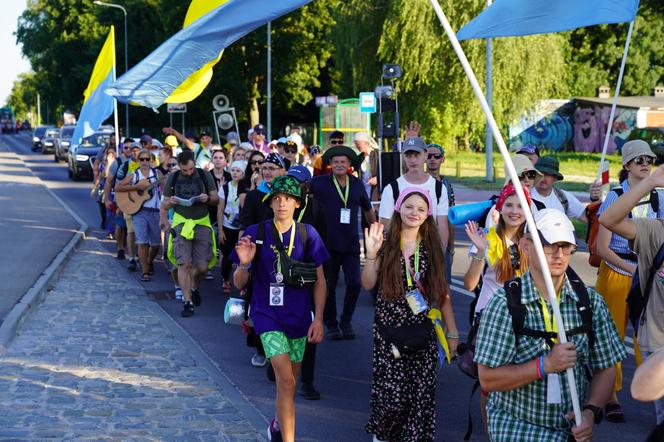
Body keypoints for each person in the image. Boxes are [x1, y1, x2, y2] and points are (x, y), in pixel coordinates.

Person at [475, 208, 626, 442]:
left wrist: (590, 412)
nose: (559, 254)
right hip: (516, 425)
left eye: (566, 246)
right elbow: (487, 379)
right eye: (549, 245)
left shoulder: (590, 302)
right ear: (526, 246)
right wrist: (545, 365)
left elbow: (606, 366)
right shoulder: (505, 303)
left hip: (569, 429)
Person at [232, 175, 329, 442]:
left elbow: (321, 281)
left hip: (299, 317)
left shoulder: (308, 234)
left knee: (291, 383)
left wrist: (318, 319)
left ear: (298, 203)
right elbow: (238, 282)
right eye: (276, 198)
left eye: (287, 199)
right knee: (285, 381)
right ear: (270, 202)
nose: (282, 203)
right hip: (266, 315)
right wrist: (244, 264)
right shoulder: (255, 232)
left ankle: (277, 425)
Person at [362, 188, 458, 442]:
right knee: (392, 396)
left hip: (422, 333)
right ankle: (384, 436)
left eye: (421, 209)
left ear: (427, 215)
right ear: (398, 208)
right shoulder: (385, 242)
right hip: (389, 333)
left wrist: (453, 333)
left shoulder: (431, 248)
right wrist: (371, 255)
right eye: (409, 206)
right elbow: (368, 284)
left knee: (420, 398)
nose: (414, 213)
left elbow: (442, 292)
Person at [594, 140, 663, 422]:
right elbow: (602, 247)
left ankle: (653, 390)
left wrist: (645, 271)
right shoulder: (616, 196)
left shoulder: (660, 197)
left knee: (645, 339)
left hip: (647, 275)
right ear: (626, 166)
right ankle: (610, 396)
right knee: (612, 337)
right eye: (638, 160)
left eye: (648, 159)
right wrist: (631, 269)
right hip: (617, 271)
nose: (645, 164)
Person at [311, 145, 376, 339]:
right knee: (328, 285)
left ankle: (346, 320)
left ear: (349, 165)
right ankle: (331, 324)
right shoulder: (319, 183)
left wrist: (376, 228)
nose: (339, 165)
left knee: (355, 283)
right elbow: (301, 195)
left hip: (350, 244)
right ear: (330, 164)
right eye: (336, 162)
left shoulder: (356, 184)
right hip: (326, 244)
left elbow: (368, 208)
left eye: (343, 162)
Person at [239, 152, 287, 367]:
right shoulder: (253, 196)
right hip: (257, 257)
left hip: (283, 256)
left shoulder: (288, 197)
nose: (267, 172)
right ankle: (260, 347)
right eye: (264, 168)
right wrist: (242, 260)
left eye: (272, 168)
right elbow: (245, 226)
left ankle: (280, 347)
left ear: (282, 172)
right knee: (256, 304)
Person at [160, 150, 219, 317]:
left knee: (202, 267)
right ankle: (187, 302)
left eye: (191, 169)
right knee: (183, 263)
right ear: (179, 167)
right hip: (181, 222)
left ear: (194, 163)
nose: (188, 172)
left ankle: (193, 287)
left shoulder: (204, 175)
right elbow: (164, 204)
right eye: (184, 170)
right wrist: (170, 203)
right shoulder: (173, 177)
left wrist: (206, 198)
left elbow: (216, 199)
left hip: (202, 222)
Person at [379, 137, 449, 253]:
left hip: (430, 249)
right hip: (400, 251)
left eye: (417, 155)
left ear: (425, 155)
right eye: (408, 155)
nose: (412, 160)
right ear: (403, 157)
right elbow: (385, 224)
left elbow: (442, 225)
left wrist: (440, 255)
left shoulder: (439, 188)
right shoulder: (392, 188)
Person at [116, 149, 164, 282]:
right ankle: (145, 271)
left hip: (155, 211)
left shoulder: (157, 173)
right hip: (139, 212)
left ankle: (148, 261)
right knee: (142, 242)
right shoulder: (134, 175)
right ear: (138, 161)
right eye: (141, 159)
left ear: (151, 160)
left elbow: (166, 190)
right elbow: (119, 187)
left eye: (146, 159)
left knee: (156, 244)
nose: (144, 162)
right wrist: (136, 187)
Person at [531, 156, 601, 222]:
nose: (543, 178)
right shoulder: (525, 196)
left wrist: (595, 199)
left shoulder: (563, 197)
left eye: (548, 174)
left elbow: (589, 218)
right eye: (540, 174)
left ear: (555, 178)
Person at [427, 142, 456, 283]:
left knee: (444, 287)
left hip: (442, 242)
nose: (432, 159)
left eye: (436, 156)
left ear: (442, 159)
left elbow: (451, 217)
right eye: (429, 155)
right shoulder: (419, 181)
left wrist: (451, 247)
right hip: (423, 241)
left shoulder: (447, 184)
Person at [218, 160, 246, 293]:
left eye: (238, 171)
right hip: (227, 225)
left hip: (241, 226)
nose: (235, 173)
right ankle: (225, 279)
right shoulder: (225, 188)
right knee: (227, 255)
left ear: (243, 173)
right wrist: (220, 230)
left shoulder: (245, 188)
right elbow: (220, 209)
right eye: (233, 170)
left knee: (242, 256)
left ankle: (242, 284)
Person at [114, 141, 142, 271]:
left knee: (141, 233)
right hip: (128, 203)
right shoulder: (124, 166)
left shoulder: (148, 166)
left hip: (144, 204)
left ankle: (142, 258)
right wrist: (119, 205)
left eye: (138, 150)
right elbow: (117, 186)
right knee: (129, 230)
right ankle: (130, 256)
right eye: (133, 150)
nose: (135, 153)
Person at [104, 137, 134, 259]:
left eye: (131, 147)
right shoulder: (118, 162)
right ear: (122, 149)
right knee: (120, 225)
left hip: (135, 199)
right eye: (126, 147)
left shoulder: (138, 161)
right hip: (120, 198)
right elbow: (108, 182)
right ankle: (121, 248)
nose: (128, 150)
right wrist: (107, 199)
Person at [354, 132, 380, 201]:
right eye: (356, 144)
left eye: (358, 144)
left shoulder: (378, 154)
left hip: (376, 193)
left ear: (366, 143)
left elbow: (387, 172)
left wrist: (378, 179)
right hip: (363, 191)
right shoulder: (359, 158)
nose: (356, 146)